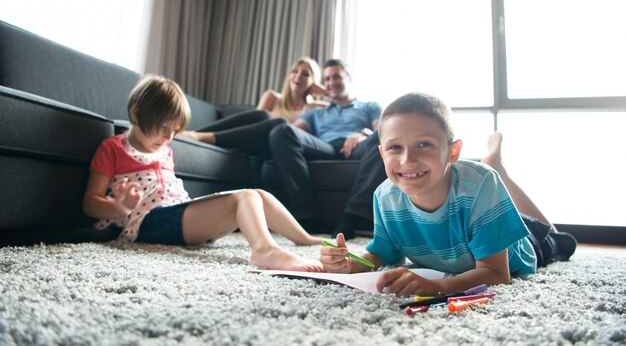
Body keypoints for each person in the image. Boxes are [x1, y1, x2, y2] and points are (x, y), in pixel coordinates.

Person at [320, 92, 577, 296]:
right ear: (381, 154)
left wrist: (438, 287)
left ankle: (499, 169)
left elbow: (497, 274)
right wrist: (350, 263)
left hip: (519, 246)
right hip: (477, 220)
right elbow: (382, 254)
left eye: (424, 145)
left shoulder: (482, 184)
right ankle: (498, 168)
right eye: (395, 147)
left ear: (453, 152)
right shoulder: (384, 196)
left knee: (555, 237)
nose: (408, 160)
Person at [83, 75, 323, 272]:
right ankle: (265, 251)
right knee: (245, 198)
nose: (169, 137)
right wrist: (118, 207)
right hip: (147, 222)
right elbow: (90, 204)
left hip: (177, 216)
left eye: (175, 130)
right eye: (164, 127)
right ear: (136, 115)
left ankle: (306, 239)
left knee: (258, 194)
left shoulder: (164, 151)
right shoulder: (113, 148)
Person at [268, 59, 388, 236]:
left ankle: (353, 216)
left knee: (383, 136)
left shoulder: (369, 106)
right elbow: (291, 131)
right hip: (325, 146)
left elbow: (384, 130)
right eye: (328, 79)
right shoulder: (316, 111)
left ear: (349, 78)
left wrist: (362, 134)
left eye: (337, 77)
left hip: (357, 147)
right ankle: (306, 216)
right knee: (281, 131)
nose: (332, 82)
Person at [181, 57, 328, 155]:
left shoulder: (312, 108)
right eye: (295, 71)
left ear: (314, 82)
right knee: (263, 115)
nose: (298, 76)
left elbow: (343, 104)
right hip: (251, 140)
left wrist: (325, 92)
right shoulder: (272, 97)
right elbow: (254, 125)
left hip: (275, 149)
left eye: (306, 74)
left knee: (280, 124)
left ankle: (199, 136)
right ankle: (194, 134)